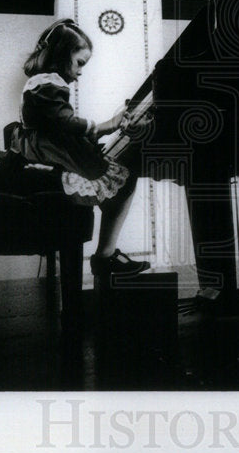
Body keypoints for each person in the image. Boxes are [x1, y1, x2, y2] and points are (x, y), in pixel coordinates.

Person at [11, 18, 148, 276]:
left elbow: (58, 125)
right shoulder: (48, 83)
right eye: (79, 63)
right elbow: (65, 122)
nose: (81, 71)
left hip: (47, 147)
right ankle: (105, 255)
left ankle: (106, 253)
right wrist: (106, 125)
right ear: (62, 55)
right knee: (122, 179)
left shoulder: (42, 81)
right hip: (48, 152)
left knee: (113, 180)